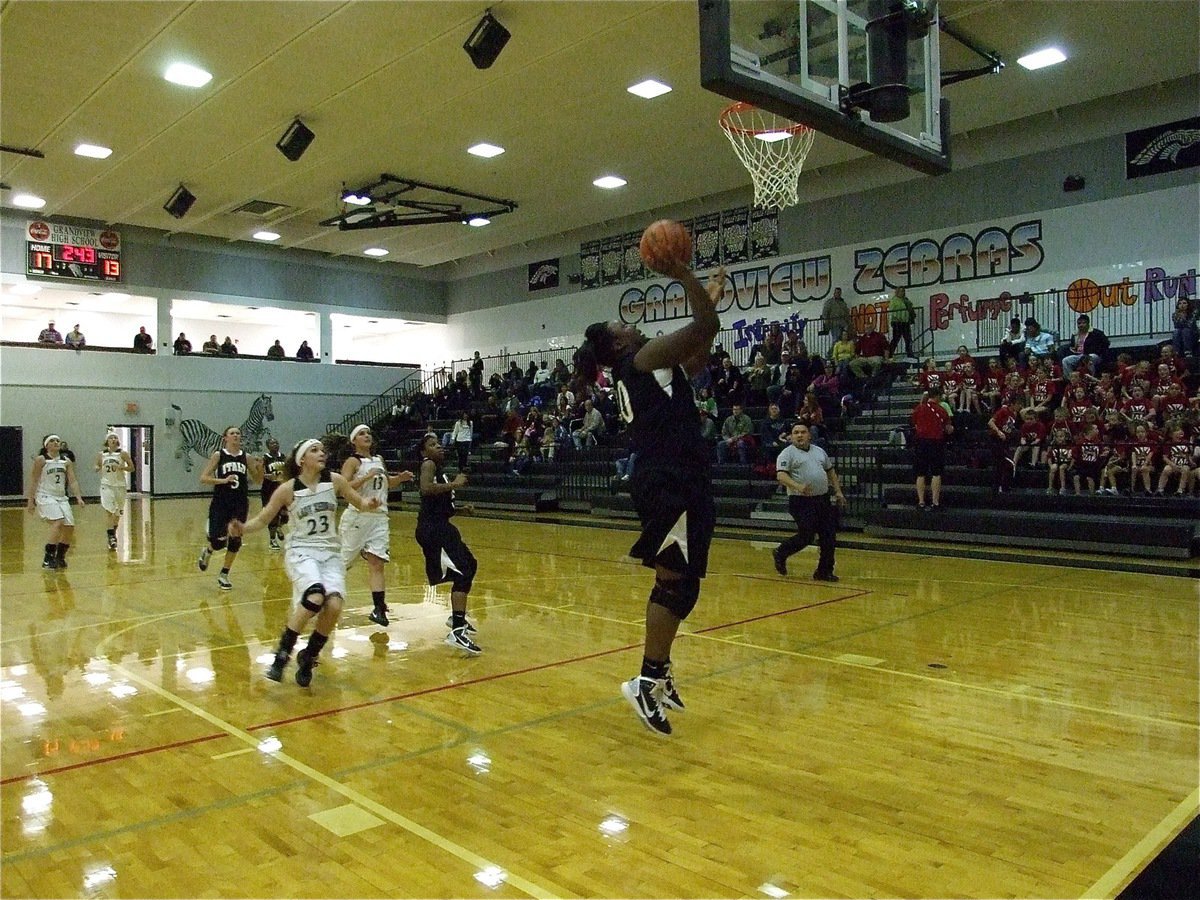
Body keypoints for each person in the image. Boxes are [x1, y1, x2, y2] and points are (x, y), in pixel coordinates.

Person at [573, 259, 725, 737]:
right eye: (625, 324)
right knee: (675, 583)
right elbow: (705, 327)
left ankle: (657, 672)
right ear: (618, 342)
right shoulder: (640, 359)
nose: (633, 323)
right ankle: (647, 678)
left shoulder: (650, 365)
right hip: (667, 479)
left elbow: (699, 348)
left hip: (680, 476)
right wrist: (685, 278)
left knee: (686, 586)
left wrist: (709, 295)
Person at [229, 439, 380, 686]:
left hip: (330, 553)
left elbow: (359, 503)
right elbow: (264, 519)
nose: (322, 453)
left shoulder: (335, 481)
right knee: (315, 597)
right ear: (302, 460)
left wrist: (369, 504)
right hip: (302, 551)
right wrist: (243, 528)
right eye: (314, 450)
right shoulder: (288, 489)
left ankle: (309, 655)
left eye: (322, 450)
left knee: (334, 606)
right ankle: (281, 656)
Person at [339, 424, 414, 627]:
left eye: (368, 433)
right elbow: (341, 488)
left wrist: (400, 478)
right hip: (357, 516)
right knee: (342, 563)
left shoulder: (378, 460)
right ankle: (322, 597)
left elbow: (385, 483)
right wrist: (365, 477)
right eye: (362, 434)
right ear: (354, 440)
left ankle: (379, 609)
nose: (367, 436)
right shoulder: (352, 462)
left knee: (377, 562)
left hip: (379, 517)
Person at [415, 434, 482, 654]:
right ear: (424, 452)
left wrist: (461, 510)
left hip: (442, 526)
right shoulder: (428, 464)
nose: (439, 447)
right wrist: (454, 483)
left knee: (470, 565)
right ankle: (457, 631)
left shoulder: (440, 472)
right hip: (433, 530)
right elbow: (425, 489)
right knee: (462, 572)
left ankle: (457, 618)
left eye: (438, 443)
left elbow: (439, 504)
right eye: (432, 445)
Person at [772, 423, 845, 581]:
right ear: (791, 436)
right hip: (800, 501)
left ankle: (824, 571)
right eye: (796, 432)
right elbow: (781, 476)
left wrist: (838, 491)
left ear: (809, 435)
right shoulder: (787, 454)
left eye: (803, 432)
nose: (799, 435)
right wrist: (798, 486)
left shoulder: (819, 451)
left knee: (828, 536)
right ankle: (781, 552)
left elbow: (830, 471)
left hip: (822, 499)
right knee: (807, 535)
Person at [196, 426, 263, 590]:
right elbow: (204, 478)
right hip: (221, 502)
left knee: (235, 540)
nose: (236, 435)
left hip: (239, 502)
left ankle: (224, 574)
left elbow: (258, 480)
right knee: (218, 541)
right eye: (232, 433)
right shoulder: (219, 455)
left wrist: (260, 468)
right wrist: (223, 481)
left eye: (238, 433)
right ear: (225, 437)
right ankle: (209, 550)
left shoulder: (246, 457)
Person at [26, 434, 85, 569]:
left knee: (69, 527)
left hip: (61, 497)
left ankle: (60, 557)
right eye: (52, 440)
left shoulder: (66, 461)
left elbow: (73, 480)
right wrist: (30, 500)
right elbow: (34, 480)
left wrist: (78, 497)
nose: (56, 442)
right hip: (45, 496)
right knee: (58, 522)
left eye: (58, 440)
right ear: (46, 445)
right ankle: (48, 558)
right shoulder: (41, 460)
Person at [912, 385, 952, 509]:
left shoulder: (919, 408)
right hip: (936, 442)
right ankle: (935, 502)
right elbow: (948, 429)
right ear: (938, 396)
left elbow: (914, 423)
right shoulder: (941, 410)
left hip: (920, 442)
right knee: (936, 473)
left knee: (920, 473)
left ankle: (921, 502)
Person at [95, 433, 134, 550]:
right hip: (106, 485)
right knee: (109, 511)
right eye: (111, 438)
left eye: (115, 438)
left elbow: (132, 468)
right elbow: (96, 465)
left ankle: (112, 533)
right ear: (107, 441)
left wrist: (123, 468)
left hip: (120, 485)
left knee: (117, 513)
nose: (113, 439)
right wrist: (96, 468)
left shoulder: (123, 454)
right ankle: (111, 536)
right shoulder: (101, 454)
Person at [260, 436, 288, 550]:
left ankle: (278, 527)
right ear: (268, 446)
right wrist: (269, 476)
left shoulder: (283, 457)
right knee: (273, 516)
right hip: (269, 489)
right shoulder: (265, 458)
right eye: (272, 443)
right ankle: (272, 540)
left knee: (286, 515)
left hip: (282, 488)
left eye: (276, 442)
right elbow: (260, 474)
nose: (275, 445)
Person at [887, 287, 916, 359]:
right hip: (897, 322)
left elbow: (910, 308)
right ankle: (890, 354)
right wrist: (898, 317)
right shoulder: (894, 300)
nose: (902, 293)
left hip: (905, 322)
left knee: (908, 339)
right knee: (896, 339)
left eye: (903, 291)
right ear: (897, 292)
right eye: (901, 291)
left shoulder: (906, 300)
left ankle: (909, 353)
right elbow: (892, 310)